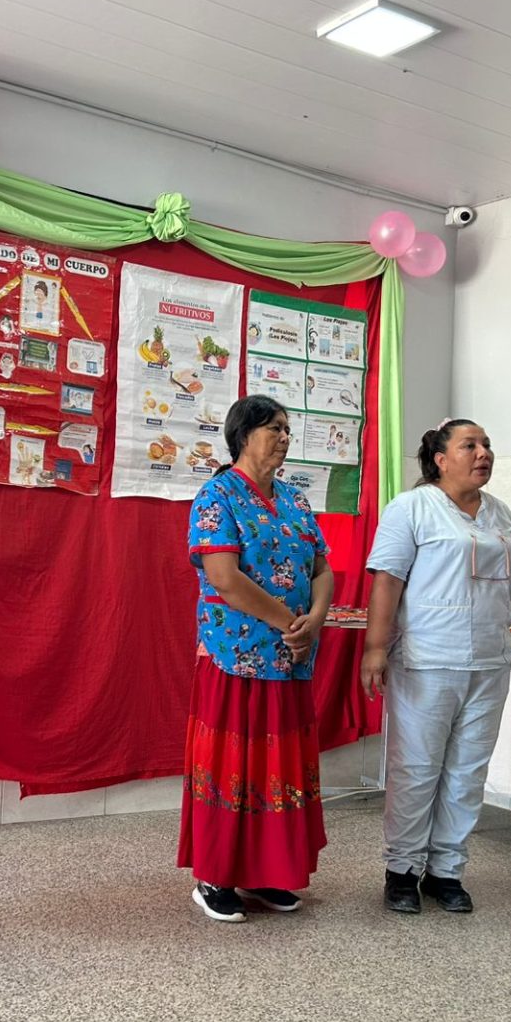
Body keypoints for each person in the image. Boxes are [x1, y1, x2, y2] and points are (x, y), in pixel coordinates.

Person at [180, 394, 334, 922]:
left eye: (289, 429)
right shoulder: (216, 496)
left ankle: (268, 874)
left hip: (291, 656)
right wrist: (288, 622)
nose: (285, 437)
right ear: (243, 434)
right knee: (232, 764)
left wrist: (314, 619)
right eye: (275, 428)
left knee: (278, 765)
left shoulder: (295, 499)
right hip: (235, 655)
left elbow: (321, 568)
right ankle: (214, 876)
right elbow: (223, 576)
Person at [361, 418, 511, 914]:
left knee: (468, 770)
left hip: (490, 660)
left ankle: (447, 870)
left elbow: (509, 589)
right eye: (469, 445)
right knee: (417, 768)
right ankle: (403, 870)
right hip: (428, 659)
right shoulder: (411, 508)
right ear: (439, 459)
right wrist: (375, 648)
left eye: (487, 445)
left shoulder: (501, 514)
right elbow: (387, 579)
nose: (482, 453)